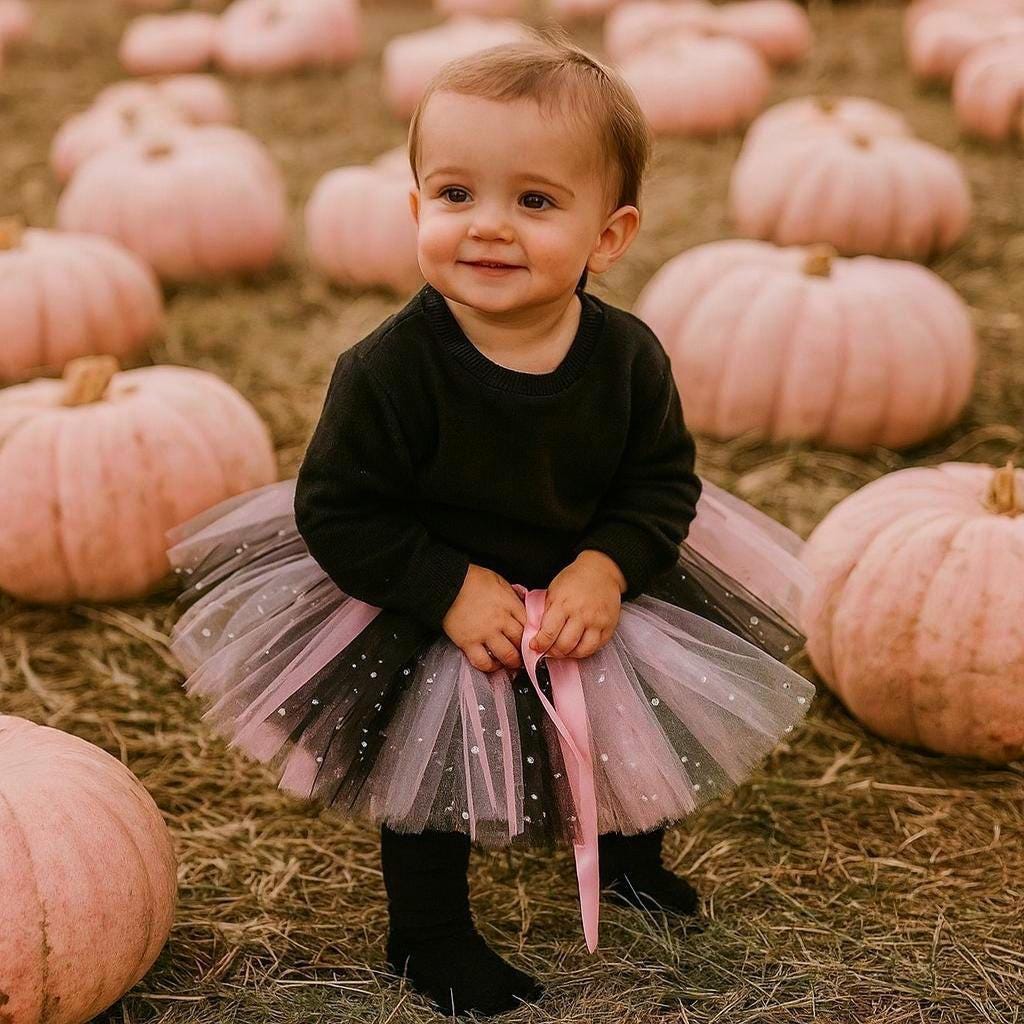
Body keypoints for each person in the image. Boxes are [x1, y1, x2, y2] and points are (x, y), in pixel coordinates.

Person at [167, 32, 816, 1019]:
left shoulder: (629, 358)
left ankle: (632, 855)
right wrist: (446, 588)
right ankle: (428, 933)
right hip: (429, 600)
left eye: (536, 201)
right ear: (418, 206)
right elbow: (337, 508)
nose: (490, 228)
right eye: (457, 194)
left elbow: (660, 485)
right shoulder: (387, 370)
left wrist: (608, 565)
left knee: (629, 727)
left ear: (609, 234)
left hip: (580, 585)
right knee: (426, 758)